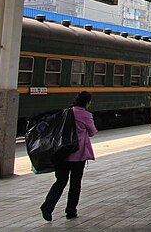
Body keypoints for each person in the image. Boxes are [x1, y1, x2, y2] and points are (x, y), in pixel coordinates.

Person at [40, 91, 97, 221]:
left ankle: (47, 207)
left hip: (62, 153)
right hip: (78, 154)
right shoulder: (86, 115)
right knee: (75, 183)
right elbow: (92, 132)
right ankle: (71, 211)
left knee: (60, 181)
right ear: (87, 103)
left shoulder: (66, 112)